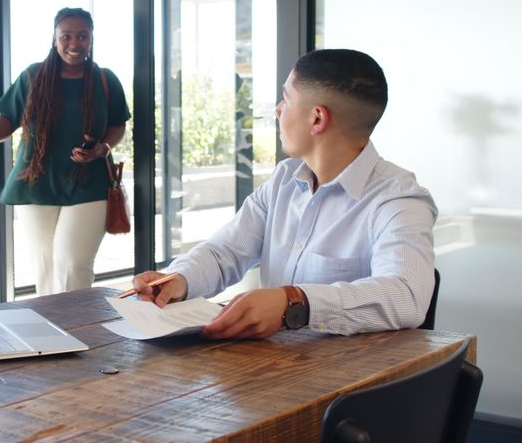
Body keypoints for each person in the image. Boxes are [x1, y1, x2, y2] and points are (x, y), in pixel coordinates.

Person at [131, 49, 437, 339]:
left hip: (352, 382)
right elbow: (224, 251)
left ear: (317, 118)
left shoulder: (398, 199)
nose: (277, 110)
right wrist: (178, 281)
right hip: (273, 372)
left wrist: (294, 302)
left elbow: (407, 295)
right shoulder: (283, 180)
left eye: (286, 99)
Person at [0, 7, 130, 295]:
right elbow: (8, 117)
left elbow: (117, 125)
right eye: (66, 36)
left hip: (89, 185)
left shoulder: (105, 79)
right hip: (35, 182)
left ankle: (77, 329)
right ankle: (53, 336)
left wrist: (102, 148)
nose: (74, 43)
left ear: (91, 39)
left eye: (82, 36)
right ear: (54, 38)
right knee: (46, 267)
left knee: (74, 264)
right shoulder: (33, 76)